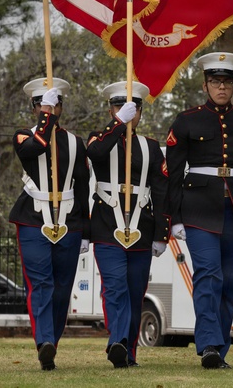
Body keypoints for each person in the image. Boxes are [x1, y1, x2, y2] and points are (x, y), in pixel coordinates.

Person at [165, 52, 233, 369]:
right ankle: (208, 345)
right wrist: (174, 218)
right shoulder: (187, 120)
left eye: (226, 82)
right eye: (215, 82)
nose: (221, 87)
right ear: (205, 84)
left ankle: (218, 350)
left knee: (227, 282)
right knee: (208, 275)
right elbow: (172, 171)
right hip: (198, 210)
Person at [86, 80, 169, 368]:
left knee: (135, 293)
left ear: (141, 112)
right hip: (107, 226)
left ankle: (128, 352)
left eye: (132, 108)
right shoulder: (99, 138)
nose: (126, 111)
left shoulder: (151, 148)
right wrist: (118, 124)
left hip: (142, 229)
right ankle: (117, 341)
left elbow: (161, 192)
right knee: (115, 287)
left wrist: (162, 234)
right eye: (120, 106)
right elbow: (95, 155)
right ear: (112, 109)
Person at [8, 78, 90, 371]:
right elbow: (33, 150)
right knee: (41, 284)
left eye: (55, 104)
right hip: (33, 217)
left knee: (61, 288)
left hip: (69, 218)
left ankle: (51, 345)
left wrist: (87, 232)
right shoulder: (23, 135)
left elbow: (83, 186)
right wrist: (46, 116)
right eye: (41, 105)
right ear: (34, 108)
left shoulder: (75, 142)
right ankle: (43, 341)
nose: (49, 109)